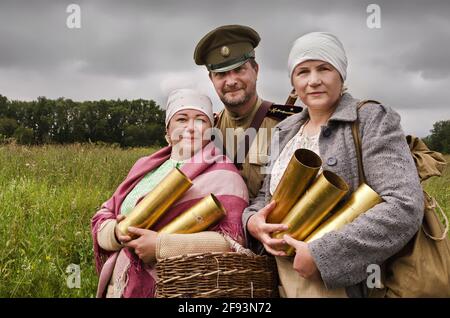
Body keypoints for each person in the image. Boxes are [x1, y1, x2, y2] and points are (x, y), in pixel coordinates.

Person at [242, 32, 424, 297]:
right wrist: (252, 222)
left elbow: (403, 204)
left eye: (324, 68)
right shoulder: (285, 129)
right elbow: (265, 196)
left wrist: (322, 255)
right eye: (303, 72)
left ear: (340, 73)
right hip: (279, 278)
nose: (313, 80)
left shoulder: (371, 118)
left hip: (341, 284)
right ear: (293, 81)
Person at [91, 88, 249, 298]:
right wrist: (116, 232)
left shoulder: (225, 175)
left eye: (201, 120)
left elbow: (232, 243)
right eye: (181, 119)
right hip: (120, 284)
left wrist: (160, 245)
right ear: (167, 131)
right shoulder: (144, 167)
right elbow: (104, 213)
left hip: (178, 289)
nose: (191, 127)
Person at [194, 24, 301, 199]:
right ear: (211, 79)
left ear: (256, 70)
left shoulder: (287, 124)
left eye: (239, 70)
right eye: (221, 74)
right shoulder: (206, 131)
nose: (231, 81)